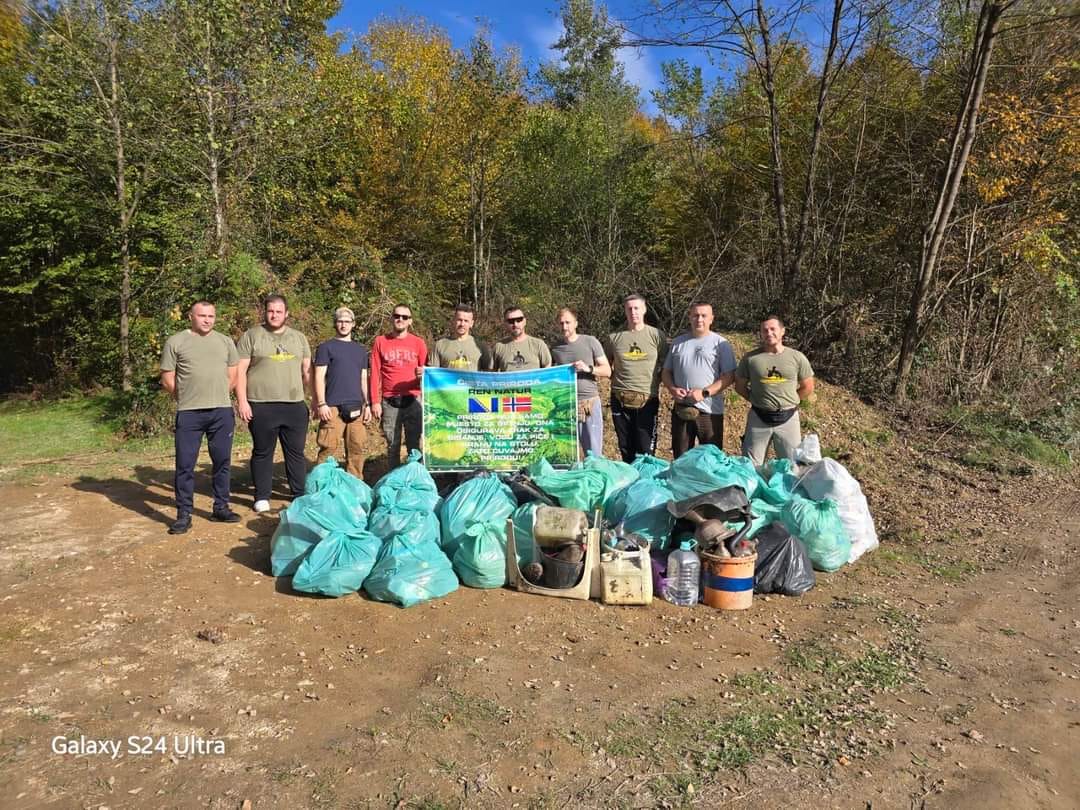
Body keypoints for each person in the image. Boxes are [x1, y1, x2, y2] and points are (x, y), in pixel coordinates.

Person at [159, 301, 241, 534]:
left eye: (211, 316)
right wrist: (186, 396)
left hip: (221, 412)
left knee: (222, 461)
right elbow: (167, 378)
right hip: (190, 413)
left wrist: (220, 393)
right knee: (185, 465)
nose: (207, 320)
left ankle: (221, 507)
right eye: (202, 315)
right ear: (190, 316)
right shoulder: (176, 341)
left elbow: (233, 374)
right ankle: (184, 513)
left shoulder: (225, 341)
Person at [236, 294, 312, 513]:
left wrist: (316, 399)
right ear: (264, 312)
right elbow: (240, 371)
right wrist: (242, 401)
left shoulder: (298, 338)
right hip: (261, 404)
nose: (274, 315)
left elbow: (308, 372)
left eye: (279, 311)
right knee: (262, 451)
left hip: (294, 405)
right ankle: (261, 496)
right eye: (271, 311)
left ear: (286, 313)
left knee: (296, 453)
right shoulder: (252, 336)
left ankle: (298, 494)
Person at [734, 315, 815, 466]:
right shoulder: (750, 359)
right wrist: (756, 399)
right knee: (750, 465)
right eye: (765, 330)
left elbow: (808, 387)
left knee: (792, 465)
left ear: (782, 331)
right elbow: (739, 386)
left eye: (773, 329)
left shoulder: (797, 357)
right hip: (758, 417)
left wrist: (790, 401)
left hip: (789, 417)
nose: (769, 333)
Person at [662, 301, 737, 458]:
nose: (699, 319)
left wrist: (704, 393)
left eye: (704, 316)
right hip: (682, 409)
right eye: (695, 315)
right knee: (681, 457)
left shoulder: (720, 344)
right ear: (689, 317)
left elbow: (729, 376)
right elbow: (666, 372)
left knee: (711, 459)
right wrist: (672, 389)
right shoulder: (677, 343)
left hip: (709, 411)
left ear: (711, 319)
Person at [606, 293, 667, 463]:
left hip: (647, 398)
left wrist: (657, 380)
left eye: (637, 308)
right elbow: (605, 364)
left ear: (644, 309)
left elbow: (666, 364)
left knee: (645, 447)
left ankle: (646, 484)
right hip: (620, 398)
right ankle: (630, 483)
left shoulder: (657, 335)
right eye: (629, 309)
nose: (633, 312)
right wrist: (616, 379)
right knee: (625, 446)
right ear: (625, 311)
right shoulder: (614, 338)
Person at [312, 306, 371, 479]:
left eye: (347, 321)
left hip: (356, 407)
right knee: (328, 447)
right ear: (335, 324)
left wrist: (367, 404)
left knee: (357, 448)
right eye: (340, 321)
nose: (343, 325)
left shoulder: (360, 351)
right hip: (332, 407)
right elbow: (319, 376)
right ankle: (320, 485)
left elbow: (363, 379)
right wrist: (321, 403)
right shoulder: (325, 347)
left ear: (353, 324)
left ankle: (355, 485)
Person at [371, 304, 427, 469]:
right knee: (392, 444)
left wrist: (423, 373)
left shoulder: (418, 343)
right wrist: (375, 401)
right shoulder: (381, 341)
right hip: (389, 401)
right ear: (391, 318)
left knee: (414, 444)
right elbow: (374, 372)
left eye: (404, 317)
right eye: (397, 316)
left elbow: (428, 371)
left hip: (413, 399)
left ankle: (413, 478)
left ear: (410, 321)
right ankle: (393, 479)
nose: (400, 319)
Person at [550, 308, 611, 458]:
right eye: (561, 323)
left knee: (593, 452)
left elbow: (607, 371)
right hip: (565, 405)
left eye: (568, 322)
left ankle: (595, 478)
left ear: (576, 323)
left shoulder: (590, 341)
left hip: (588, 404)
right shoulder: (555, 348)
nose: (564, 327)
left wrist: (588, 368)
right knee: (567, 454)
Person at [491, 306, 552, 371]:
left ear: (524, 321)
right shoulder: (499, 347)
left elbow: (547, 370)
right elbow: (490, 374)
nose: (515, 324)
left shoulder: (539, 344)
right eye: (510, 321)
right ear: (505, 324)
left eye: (519, 320)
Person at [431, 304, 490, 371]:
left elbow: (488, 375)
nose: (462, 324)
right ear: (453, 321)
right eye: (459, 320)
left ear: (471, 324)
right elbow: (432, 374)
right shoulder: (439, 345)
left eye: (466, 321)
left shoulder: (481, 347)